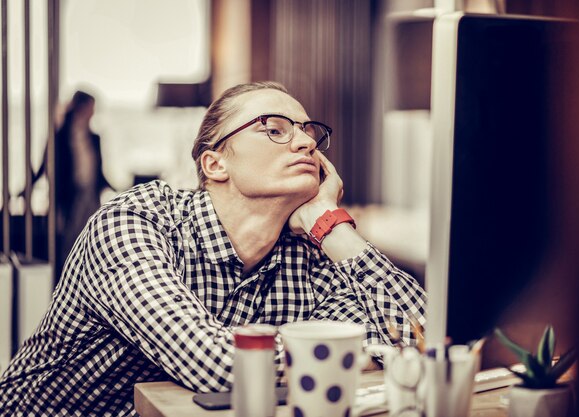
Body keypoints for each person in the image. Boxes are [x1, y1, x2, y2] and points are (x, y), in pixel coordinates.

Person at [0, 81, 426, 416]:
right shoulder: (136, 223)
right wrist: (366, 354)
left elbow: (422, 339)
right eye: (274, 129)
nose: (305, 143)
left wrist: (331, 224)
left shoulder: (308, 255)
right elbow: (216, 365)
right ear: (215, 163)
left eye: (308, 132)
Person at [32, 90, 113, 278]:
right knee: (69, 241)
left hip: (91, 194)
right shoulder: (59, 136)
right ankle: (66, 279)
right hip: (69, 195)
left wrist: (117, 189)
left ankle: (88, 279)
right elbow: (45, 166)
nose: (93, 112)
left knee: (92, 238)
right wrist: (25, 191)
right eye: (91, 108)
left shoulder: (94, 137)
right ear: (81, 107)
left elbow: (98, 170)